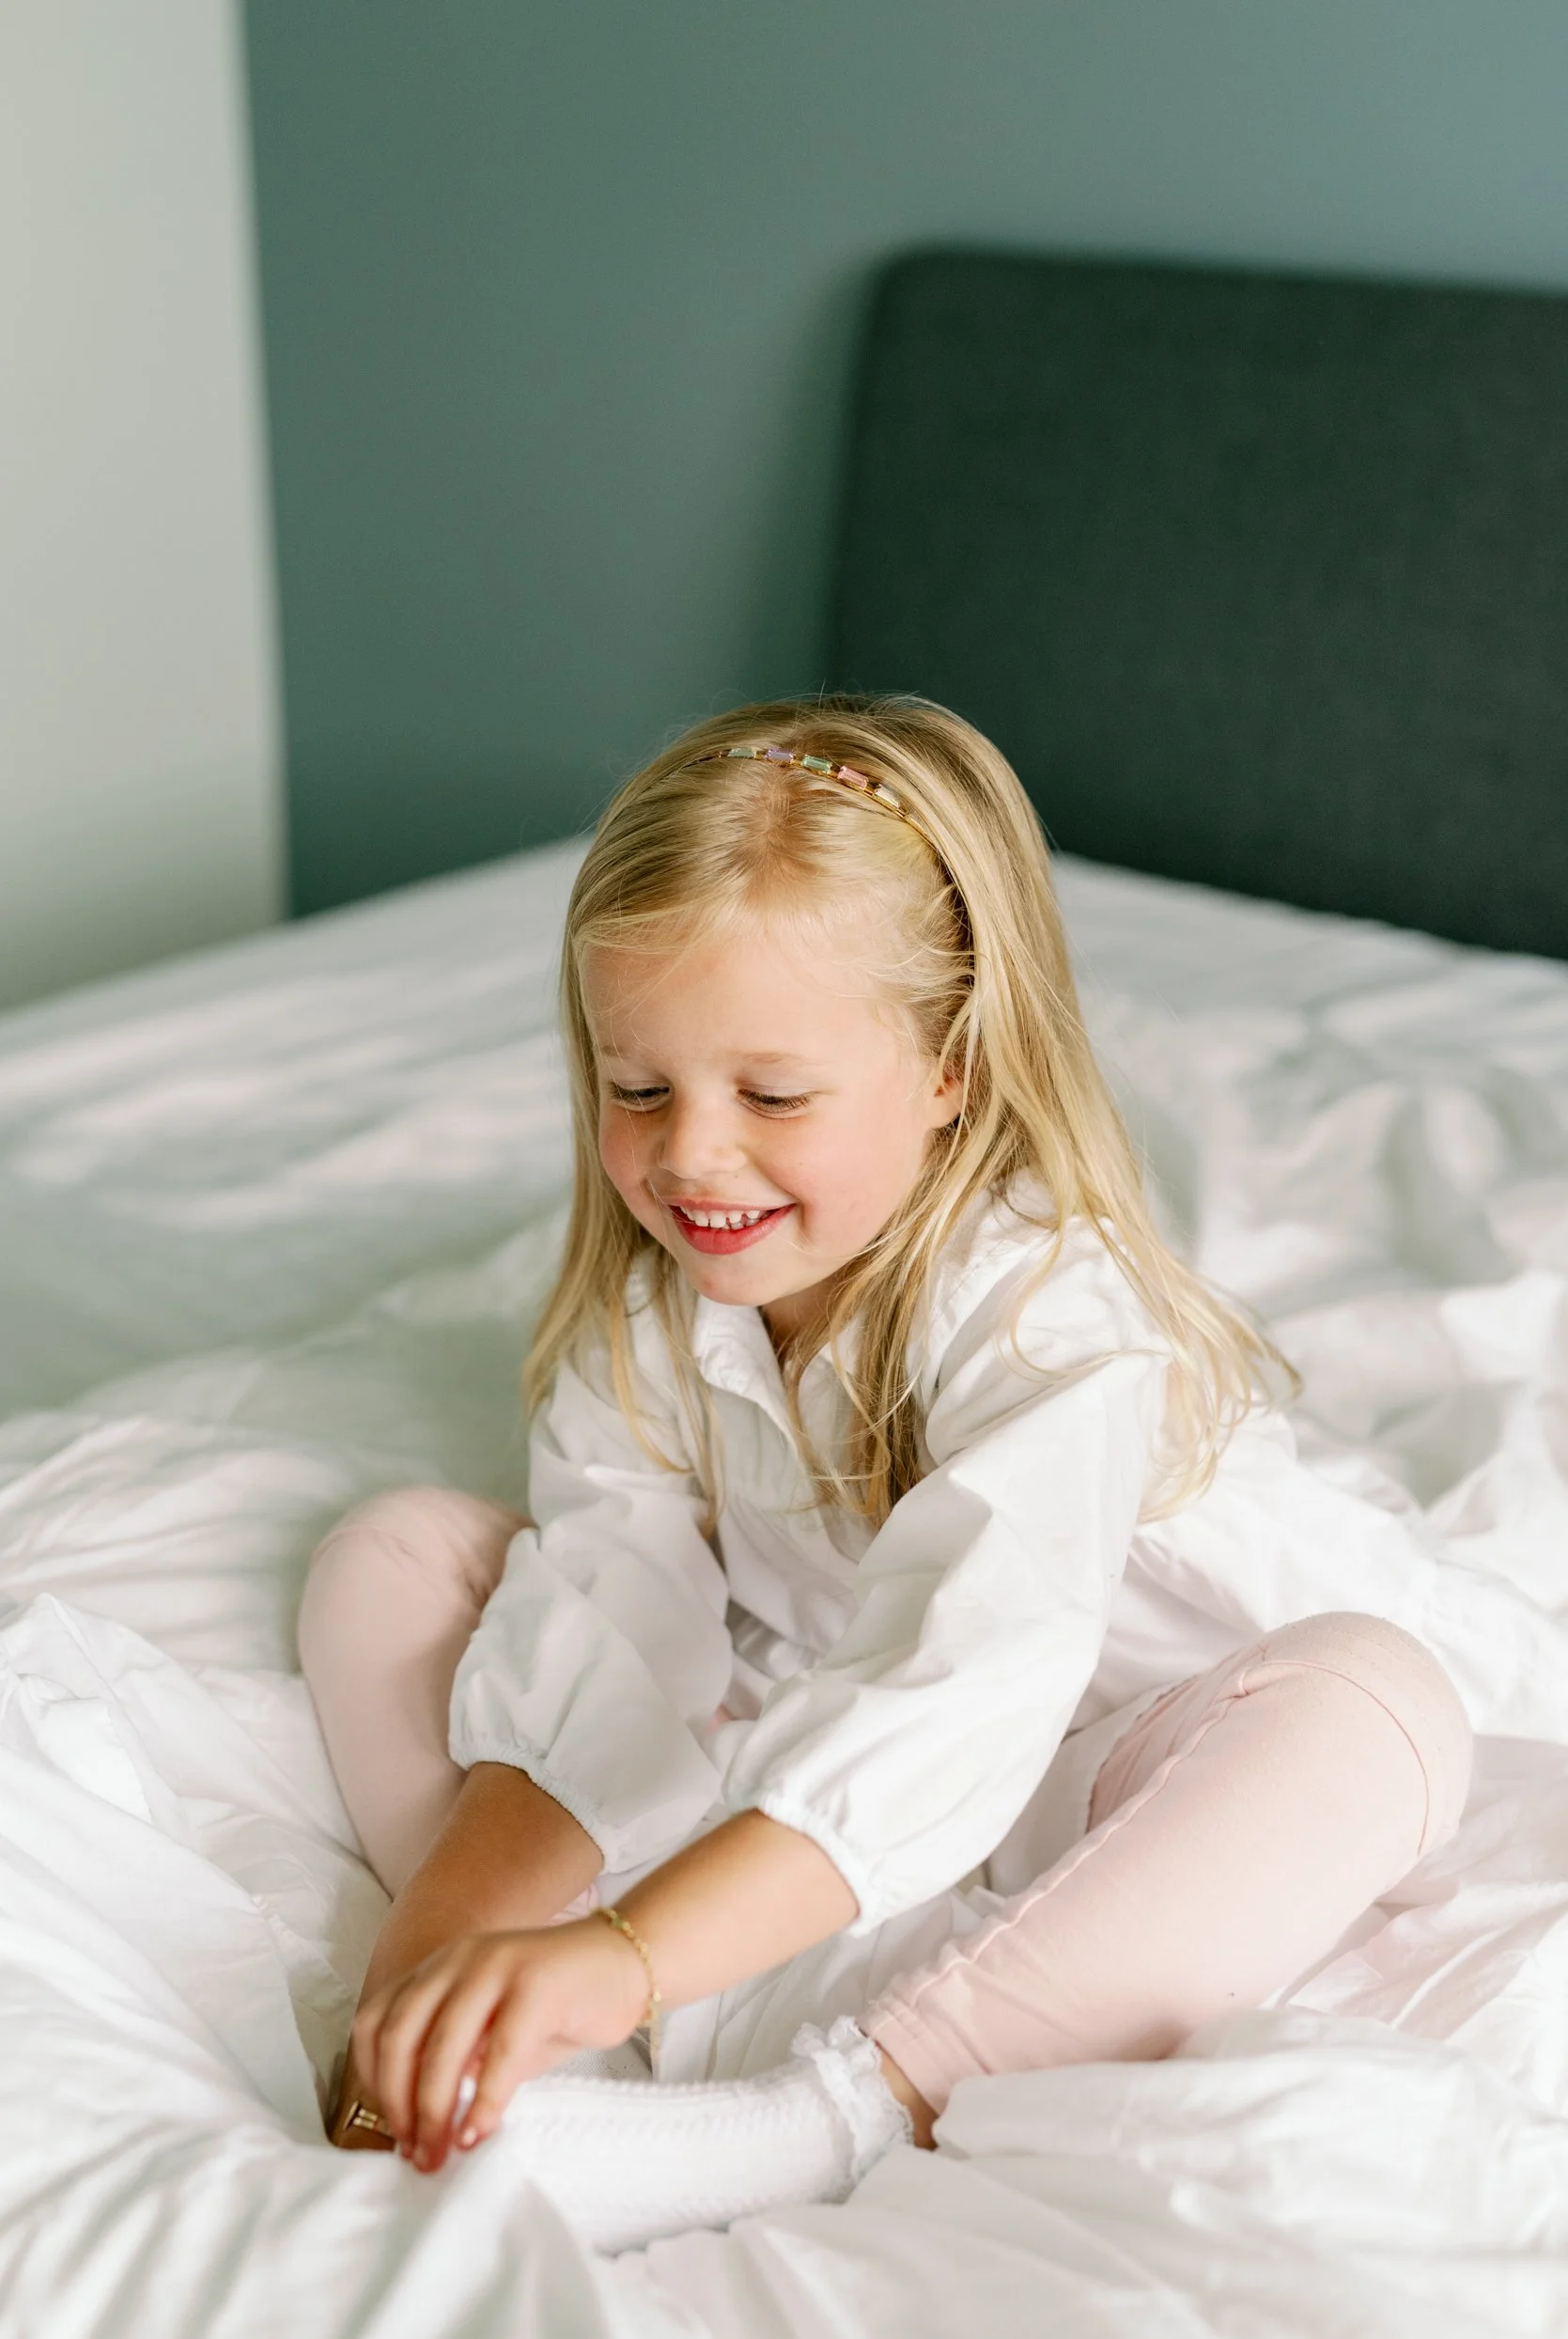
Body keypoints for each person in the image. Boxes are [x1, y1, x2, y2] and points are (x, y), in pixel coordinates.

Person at [300, 694, 1547, 2255]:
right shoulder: (658, 1313)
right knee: (395, 1557)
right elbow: (612, 1620)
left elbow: (967, 1679)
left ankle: (824, 2116)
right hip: (818, 1773)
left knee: (1374, 1707)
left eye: (771, 1097)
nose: (690, 1158)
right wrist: (422, 1969)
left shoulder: (1044, 1311)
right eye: (638, 1088)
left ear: (949, 1067)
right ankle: (514, 2019)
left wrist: (636, 1953)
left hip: (1104, 1786)